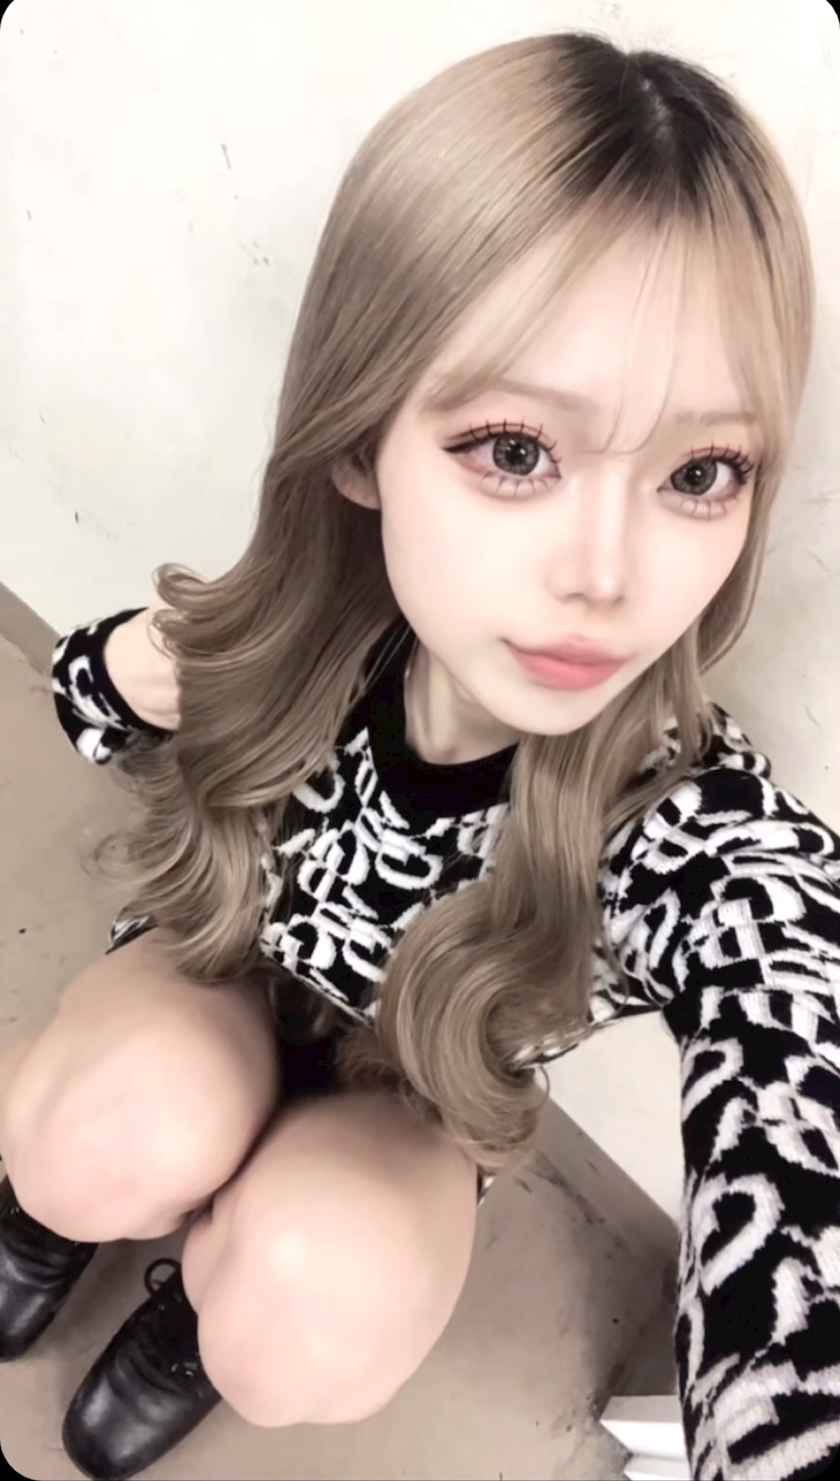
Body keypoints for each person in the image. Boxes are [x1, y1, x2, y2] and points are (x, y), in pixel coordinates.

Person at [1, 28, 838, 1481]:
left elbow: (795, 1025)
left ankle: (207, 1315)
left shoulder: (688, 826)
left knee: (303, 1321)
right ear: (359, 438)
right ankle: (51, 1216)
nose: (607, 575)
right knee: (91, 1143)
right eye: (516, 450)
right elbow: (89, 699)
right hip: (221, 964)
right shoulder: (304, 638)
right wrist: (145, 660)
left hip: (423, 1089)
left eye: (701, 473)